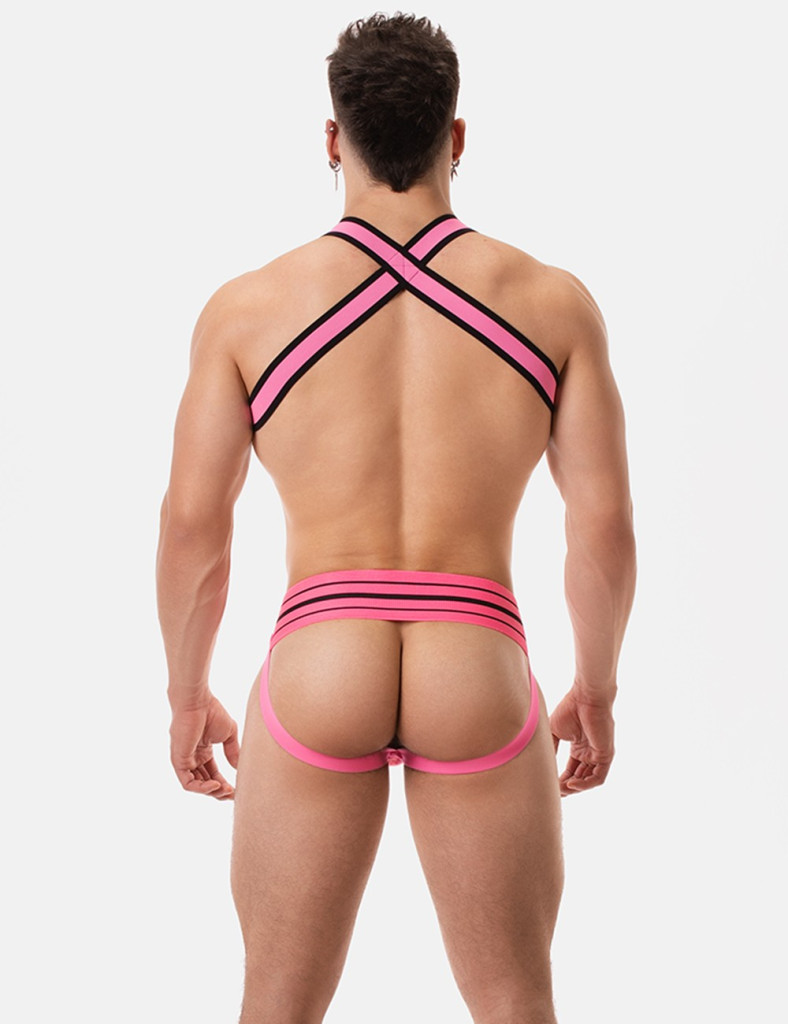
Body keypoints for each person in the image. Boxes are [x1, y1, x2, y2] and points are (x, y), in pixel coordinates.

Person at [156, 12, 636, 1024]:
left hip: (320, 653)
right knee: (515, 1001)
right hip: (475, 656)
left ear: (333, 139)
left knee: (276, 1003)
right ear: (455, 135)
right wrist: (594, 688)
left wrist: (187, 694)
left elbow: (195, 531)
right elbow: (601, 531)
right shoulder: (552, 305)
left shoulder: (247, 310)